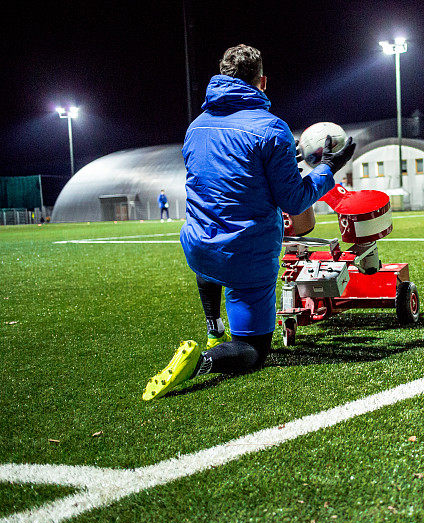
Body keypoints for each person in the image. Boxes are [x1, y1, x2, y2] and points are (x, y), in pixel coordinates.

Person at [143, 44, 355, 401]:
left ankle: (214, 328)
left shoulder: (195, 128)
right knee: (254, 351)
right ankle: (204, 359)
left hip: (197, 246)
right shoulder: (272, 129)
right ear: (263, 81)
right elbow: (294, 200)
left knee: (210, 249)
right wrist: (328, 169)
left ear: (221, 79)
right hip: (245, 257)